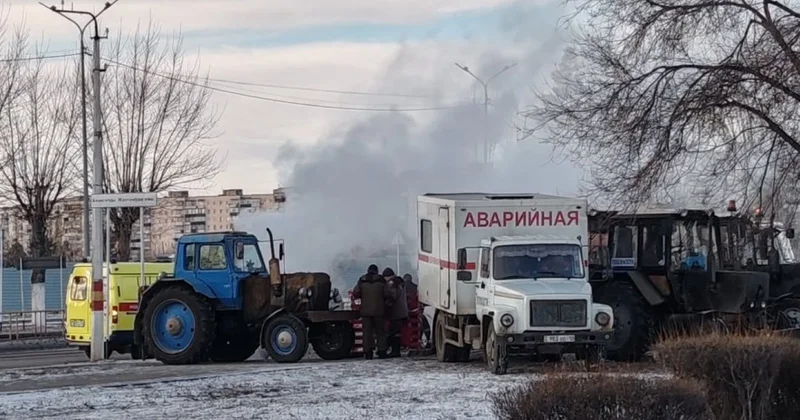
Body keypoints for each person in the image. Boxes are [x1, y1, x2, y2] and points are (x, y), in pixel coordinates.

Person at [352, 264, 392, 359]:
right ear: (377, 271)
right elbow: (388, 294)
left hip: (365, 311)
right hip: (379, 311)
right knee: (380, 332)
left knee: (367, 333)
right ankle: (382, 351)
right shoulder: (381, 280)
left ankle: (368, 352)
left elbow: (356, 293)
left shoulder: (362, 280)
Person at [383, 267, 408, 358]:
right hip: (402, 311)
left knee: (393, 333)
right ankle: (395, 350)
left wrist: (386, 303)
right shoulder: (399, 282)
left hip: (396, 312)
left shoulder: (392, 283)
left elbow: (392, 296)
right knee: (396, 333)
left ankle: (395, 351)